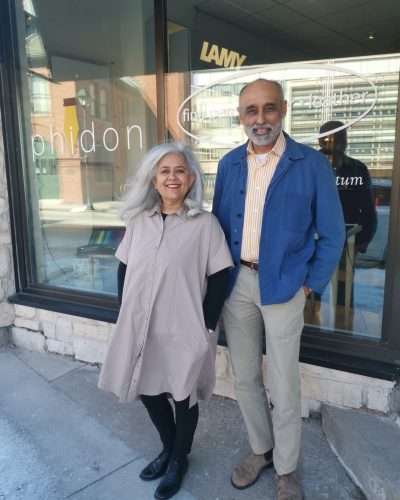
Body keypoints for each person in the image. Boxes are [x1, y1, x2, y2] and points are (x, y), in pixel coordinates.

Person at [212, 79, 345, 500]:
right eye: (251, 110)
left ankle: (286, 469)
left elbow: (334, 234)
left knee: (284, 384)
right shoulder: (229, 164)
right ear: (240, 116)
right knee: (246, 377)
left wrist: (309, 285)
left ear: (283, 109)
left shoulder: (311, 164)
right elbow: (216, 229)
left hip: (287, 286)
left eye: (269, 108)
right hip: (238, 284)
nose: (260, 119)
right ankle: (261, 450)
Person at [98, 142, 233, 500]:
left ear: (190, 180)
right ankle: (170, 449)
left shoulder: (205, 224)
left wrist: (206, 326)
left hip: (186, 325)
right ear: (154, 180)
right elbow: (124, 267)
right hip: (143, 325)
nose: (172, 177)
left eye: (179, 171)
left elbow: (219, 276)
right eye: (164, 171)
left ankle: (178, 460)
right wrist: (124, 311)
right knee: (148, 388)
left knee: (182, 394)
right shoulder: (139, 221)